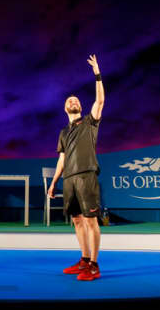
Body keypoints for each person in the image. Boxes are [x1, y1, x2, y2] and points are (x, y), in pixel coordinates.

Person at [48, 54, 104, 281]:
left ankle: (94, 265)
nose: (73, 101)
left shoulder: (90, 122)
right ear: (65, 108)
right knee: (77, 220)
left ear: (80, 106)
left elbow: (100, 101)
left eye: (76, 100)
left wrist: (97, 74)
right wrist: (54, 182)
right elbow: (61, 159)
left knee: (90, 220)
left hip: (86, 176)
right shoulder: (63, 133)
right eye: (69, 100)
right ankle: (83, 259)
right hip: (69, 179)